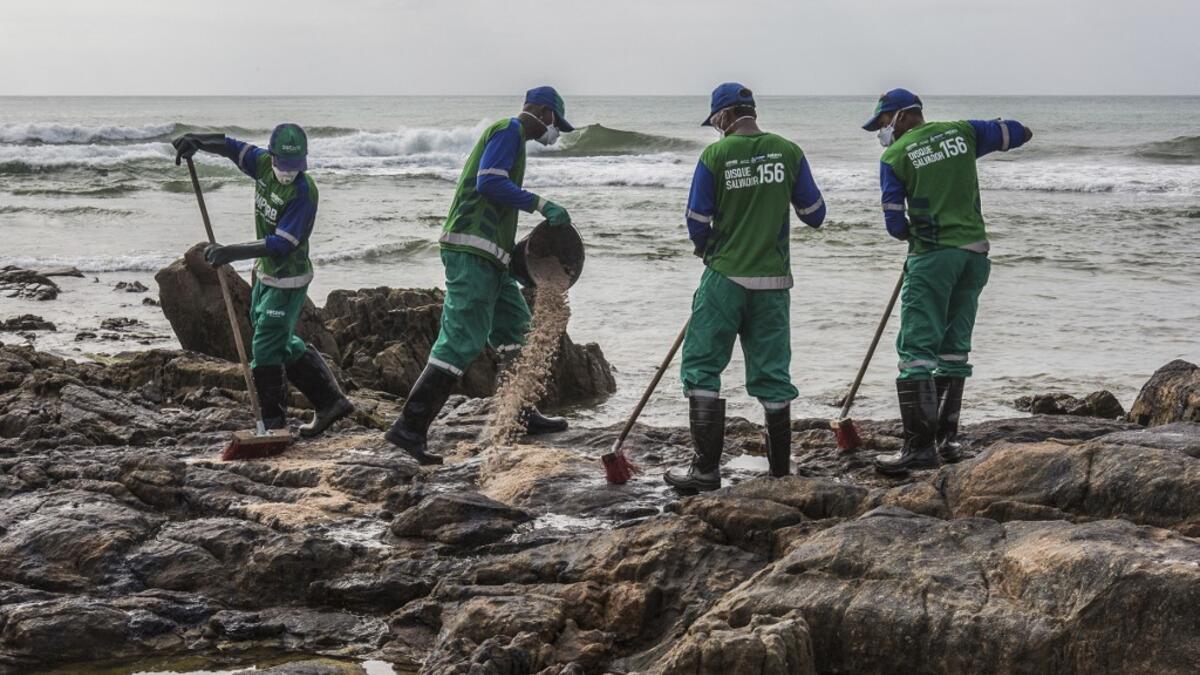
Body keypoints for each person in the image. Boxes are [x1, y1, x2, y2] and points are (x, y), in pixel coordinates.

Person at [385, 86, 576, 465]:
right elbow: (488, 181)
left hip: (494, 256)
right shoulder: (508, 130)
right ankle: (409, 428)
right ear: (541, 112)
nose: (553, 132)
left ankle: (522, 412)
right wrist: (540, 204)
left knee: (516, 329)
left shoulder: (515, 140)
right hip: (471, 249)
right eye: (555, 123)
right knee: (461, 339)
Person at [665, 83, 827, 493]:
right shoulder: (789, 151)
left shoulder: (715, 155)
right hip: (774, 282)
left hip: (725, 277)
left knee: (702, 366)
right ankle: (778, 473)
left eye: (715, 121)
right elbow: (814, 213)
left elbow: (696, 220)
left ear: (724, 116)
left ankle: (705, 471)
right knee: (773, 374)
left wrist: (709, 249)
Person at [862, 88, 1033, 475]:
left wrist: (912, 233)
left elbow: (894, 224)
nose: (883, 131)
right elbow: (1018, 133)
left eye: (884, 122)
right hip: (974, 253)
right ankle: (947, 440)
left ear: (904, 116)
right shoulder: (964, 132)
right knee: (954, 347)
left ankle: (919, 449)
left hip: (933, 255)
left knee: (917, 348)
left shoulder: (894, 157)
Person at [171, 124, 354, 437]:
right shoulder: (261, 166)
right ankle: (331, 401)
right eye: (283, 165)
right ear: (271, 157)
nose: (288, 172)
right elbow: (232, 147)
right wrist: (197, 141)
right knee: (276, 340)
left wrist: (230, 252)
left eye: (295, 167)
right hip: (264, 272)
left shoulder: (303, 193)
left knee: (265, 347)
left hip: (288, 279)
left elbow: (281, 244)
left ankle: (272, 424)